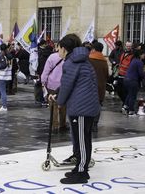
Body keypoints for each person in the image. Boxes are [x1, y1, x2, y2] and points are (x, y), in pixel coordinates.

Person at [51, 34, 99, 184]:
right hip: (85, 105)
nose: (57, 51)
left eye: (58, 48)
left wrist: (59, 101)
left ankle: (82, 172)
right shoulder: (81, 61)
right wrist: (57, 94)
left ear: (64, 49)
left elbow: (67, 85)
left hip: (81, 107)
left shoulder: (71, 62)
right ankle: (80, 167)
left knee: (82, 140)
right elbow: (71, 82)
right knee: (82, 139)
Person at [41, 44, 66, 133]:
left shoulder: (52, 57)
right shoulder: (68, 58)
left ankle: (54, 125)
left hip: (52, 84)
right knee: (63, 105)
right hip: (64, 85)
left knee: (53, 106)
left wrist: (43, 81)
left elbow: (46, 71)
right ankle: (63, 124)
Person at [88, 41, 109, 130]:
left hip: (89, 87)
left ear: (93, 49)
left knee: (88, 105)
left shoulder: (89, 59)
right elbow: (107, 75)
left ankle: (89, 123)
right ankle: (95, 124)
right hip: (100, 87)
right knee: (98, 105)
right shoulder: (104, 61)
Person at [123, 49, 145, 115]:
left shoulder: (133, 60)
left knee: (129, 94)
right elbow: (141, 73)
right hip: (133, 80)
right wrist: (144, 74)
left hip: (126, 79)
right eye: (143, 54)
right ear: (140, 55)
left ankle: (125, 106)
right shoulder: (139, 62)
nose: (144, 55)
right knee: (133, 96)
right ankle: (131, 111)